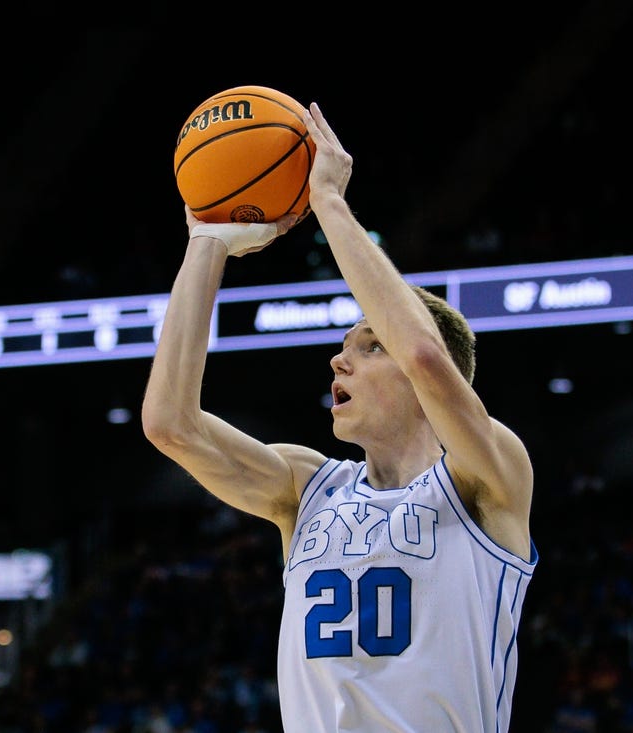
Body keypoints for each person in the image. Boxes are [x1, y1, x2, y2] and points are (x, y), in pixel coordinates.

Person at [141, 102, 538, 733]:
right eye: (344, 347)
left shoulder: (488, 479)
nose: (338, 360)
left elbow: (426, 355)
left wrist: (326, 200)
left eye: (369, 345)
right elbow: (169, 423)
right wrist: (206, 243)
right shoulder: (307, 489)